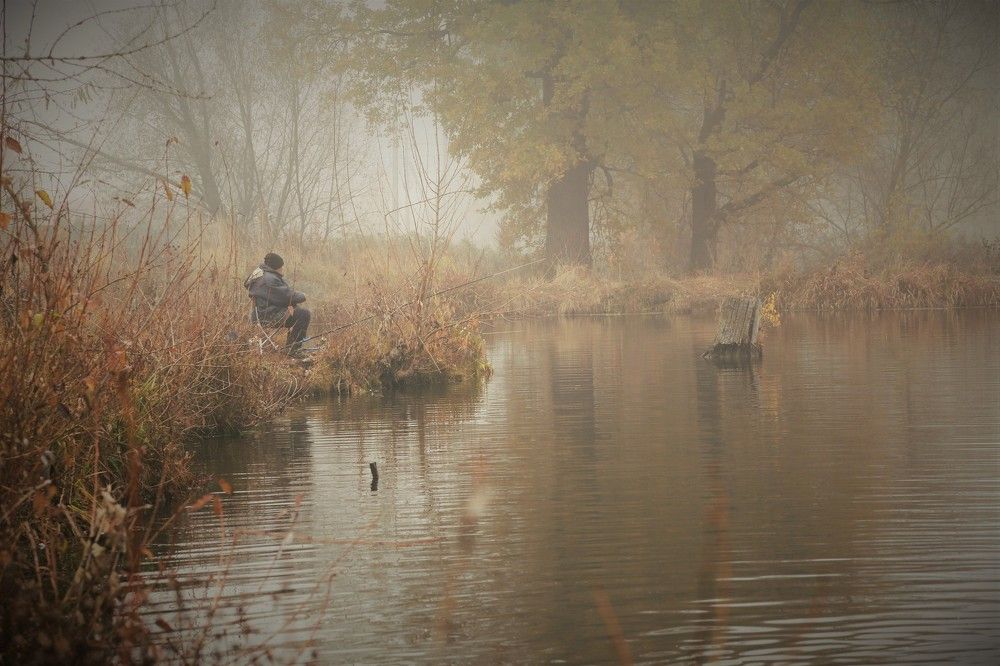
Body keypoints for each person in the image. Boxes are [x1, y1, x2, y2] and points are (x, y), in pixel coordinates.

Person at [244, 252, 311, 355]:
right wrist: (302, 296)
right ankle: (292, 350)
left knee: (296, 310)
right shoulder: (270, 279)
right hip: (268, 315)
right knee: (303, 314)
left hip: (258, 314)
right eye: (281, 267)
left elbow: (276, 297)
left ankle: (291, 347)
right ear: (277, 267)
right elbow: (286, 296)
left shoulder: (259, 274)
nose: (282, 270)